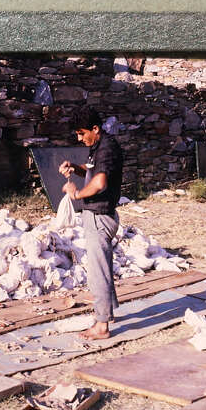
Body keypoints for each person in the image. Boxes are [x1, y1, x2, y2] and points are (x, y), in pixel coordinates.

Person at [59, 108, 124, 340]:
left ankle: (101, 325)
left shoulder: (106, 148)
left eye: (81, 133)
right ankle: (109, 311)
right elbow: (91, 170)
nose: (79, 138)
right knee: (102, 267)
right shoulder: (99, 146)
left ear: (95, 129)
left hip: (99, 216)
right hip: (97, 215)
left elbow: (99, 182)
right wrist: (75, 169)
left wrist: (76, 194)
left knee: (99, 273)